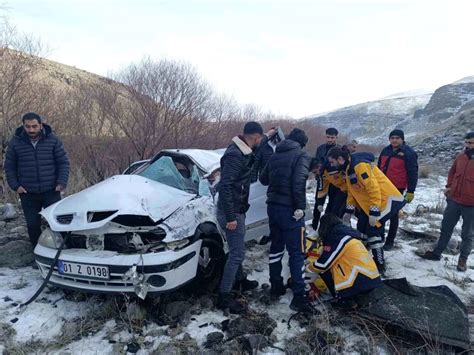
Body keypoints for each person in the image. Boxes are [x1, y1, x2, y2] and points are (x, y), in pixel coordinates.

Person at [326, 147, 406, 274]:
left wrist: (374, 212)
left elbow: (373, 189)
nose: (331, 165)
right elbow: (352, 191)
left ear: (340, 159)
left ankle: (380, 264)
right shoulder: (348, 168)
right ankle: (363, 257)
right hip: (369, 204)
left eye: (332, 162)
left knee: (373, 232)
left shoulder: (360, 166)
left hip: (383, 202)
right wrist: (349, 210)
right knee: (361, 229)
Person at [259, 128, 314, 313]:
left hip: (272, 206)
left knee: (276, 247)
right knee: (297, 252)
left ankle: (276, 285)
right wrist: (300, 207)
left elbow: (263, 179)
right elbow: (298, 182)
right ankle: (299, 296)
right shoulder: (301, 155)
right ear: (302, 143)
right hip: (290, 209)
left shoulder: (275, 154)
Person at [215, 121, 264, 313]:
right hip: (232, 211)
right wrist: (230, 217)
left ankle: (240, 281)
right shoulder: (235, 155)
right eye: (260, 139)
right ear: (254, 138)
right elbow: (225, 186)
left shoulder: (241, 149)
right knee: (237, 253)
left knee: (237, 248)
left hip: (236, 209)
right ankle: (224, 296)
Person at [4, 112, 69, 248]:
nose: (31, 130)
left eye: (34, 126)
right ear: (23, 126)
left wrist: (61, 182)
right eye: (28, 127)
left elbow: (63, 162)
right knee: (33, 225)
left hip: (51, 190)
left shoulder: (53, 140)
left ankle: (64, 251)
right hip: (27, 192)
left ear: (41, 125)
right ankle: (38, 252)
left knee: (57, 222)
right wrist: (16, 186)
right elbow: (9, 167)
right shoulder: (16, 143)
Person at [419, 132, 474, 271]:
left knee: (467, 234)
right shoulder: (461, 157)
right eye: (467, 142)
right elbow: (452, 172)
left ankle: (463, 260)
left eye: (471, 142)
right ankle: (437, 253)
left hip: (471, 204)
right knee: (446, 228)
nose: (468, 145)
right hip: (454, 200)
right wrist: (449, 187)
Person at [307, 214, 382, 307]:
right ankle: (353, 298)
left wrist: (308, 268)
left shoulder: (337, 238)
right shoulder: (347, 234)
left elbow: (323, 264)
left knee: (324, 271)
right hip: (371, 277)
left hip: (357, 280)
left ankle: (345, 299)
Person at [378, 129, 418, 250]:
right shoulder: (385, 150)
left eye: (397, 138)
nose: (394, 140)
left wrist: (411, 191)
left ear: (402, 139)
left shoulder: (409, 153)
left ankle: (390, 241)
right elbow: (379, 167)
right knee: (381, 212)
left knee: (393, 215)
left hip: (397, 189)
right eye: (392, 138)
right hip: (382, 187)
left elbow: (413, 172)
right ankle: (380, 236)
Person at [312, 128, 346, 229]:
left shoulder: (339, 149)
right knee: (318, 203)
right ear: (325, 136)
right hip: (322, 179)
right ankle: (314, 225)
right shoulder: (320, 148)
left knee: (332, 203)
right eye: (328, 137)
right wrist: (317, 175)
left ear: (336, 137)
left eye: (332, 137)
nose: (330, 140)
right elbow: (316, 163)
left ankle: (326, 226)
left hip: (336, 180)